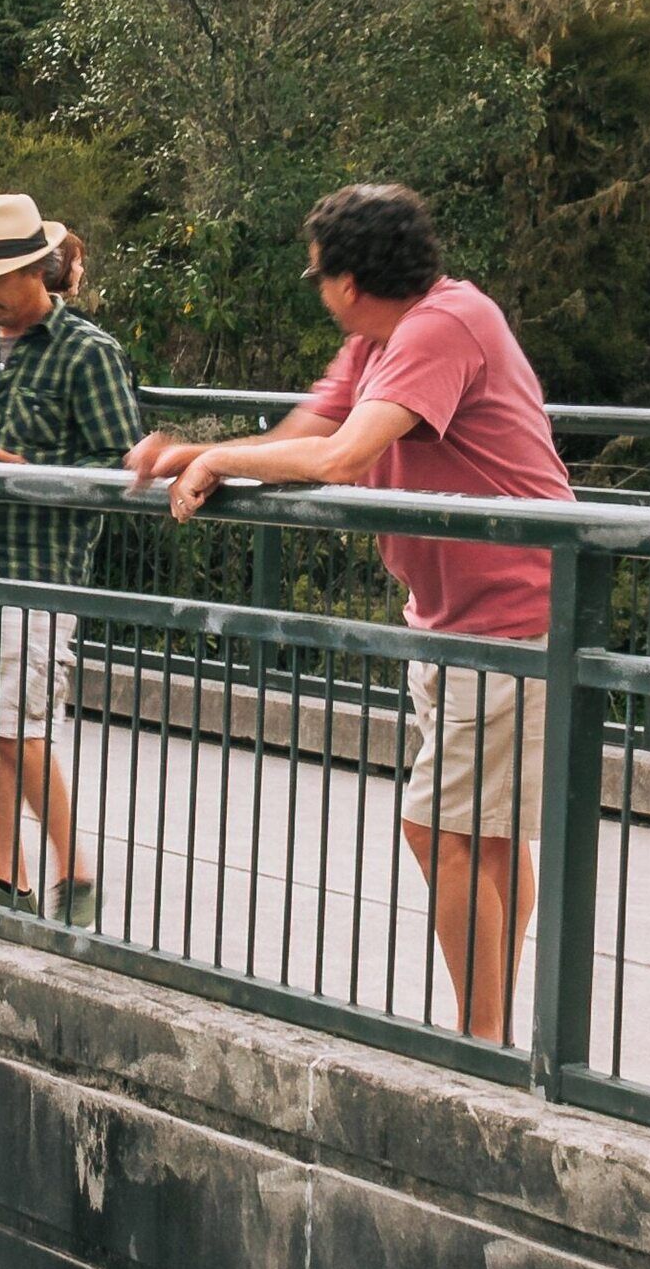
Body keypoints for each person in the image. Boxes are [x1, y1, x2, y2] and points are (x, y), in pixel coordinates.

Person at [129, 183, 570, 1039]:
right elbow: (311, 423)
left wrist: (216, 455)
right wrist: (191, 452)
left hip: (506, 617)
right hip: (454, 615)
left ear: (349, 281)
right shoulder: (382, 338)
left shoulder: (444, 325)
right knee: (480, 830)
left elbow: (339, 455)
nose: (317, 289)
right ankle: (493, 1033)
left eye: (318, 274)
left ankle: (482, 1047)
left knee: (439, 828)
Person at [0, 192, 145, 926]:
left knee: (19, 728)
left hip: (41, 567)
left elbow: (122, 467)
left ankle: (74, 870)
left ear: (36, 269)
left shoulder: (90, 352)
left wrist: (33, 468)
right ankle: (7, 874)